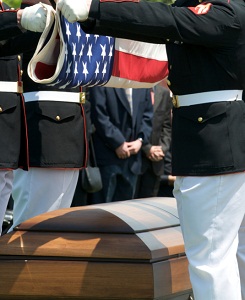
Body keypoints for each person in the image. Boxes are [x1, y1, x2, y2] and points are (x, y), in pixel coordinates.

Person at [56, 0, 245, 299]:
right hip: (218, 140)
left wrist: (96, 9)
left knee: (210, 258)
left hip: (213, 145)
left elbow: (167, 20)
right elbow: (157, 21)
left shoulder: (226, 10)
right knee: (231, 256)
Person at [4, 0, 88, 232]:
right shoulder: (39, 4)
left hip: (66, 126)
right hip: (46, 126)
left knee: (53, 230)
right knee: (31, 227)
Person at [0, 1, 47, 235]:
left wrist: (48, 26)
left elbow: (11, 45)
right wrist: (18, 19)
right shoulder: (10, 13)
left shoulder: (5, 7)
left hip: (7, 121)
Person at [88, 86, 153, 204]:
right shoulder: (104, 80)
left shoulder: (142, 84)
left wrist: (140, 140)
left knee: (125, 213)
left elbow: (148, 115)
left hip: (133, 160)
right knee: (102, 212)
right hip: (108, 157)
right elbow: (99, 115)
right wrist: (118, 143)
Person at [134, 83, 172, 198]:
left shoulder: (164, 93)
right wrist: (147, 148)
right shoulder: (136, 90)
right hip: (137, 157)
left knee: (150, 204)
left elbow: (167, 126)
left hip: (156, 160)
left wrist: (162, 149)